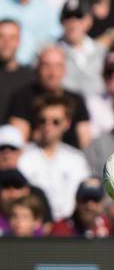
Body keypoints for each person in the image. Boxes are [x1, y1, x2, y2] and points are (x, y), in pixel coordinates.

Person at [17, 94, 91, 222]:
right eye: (43, 120)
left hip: (70, 229)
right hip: (35, 229)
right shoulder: (23, 158)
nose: (48, 126)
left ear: (67, 123)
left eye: (56, 121)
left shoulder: (77, 160)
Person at [8, 46, 91, 149]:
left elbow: (86, 143)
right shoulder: (22, 98)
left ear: (65, 69)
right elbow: (17, 141)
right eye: (46, 66)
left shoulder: (76, 100)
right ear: (38, 68)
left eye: (58, 66)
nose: (52, 72)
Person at [58, 0, 107, 97]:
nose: (73, 23)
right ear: (61, 22)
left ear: (89, 20)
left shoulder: (102, 52)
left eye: (79, 17)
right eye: (68, 17)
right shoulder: (54, 54)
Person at [50, 178, 114, 238]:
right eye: (85, 199)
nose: (89, 206)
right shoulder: (61, 230)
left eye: (95, 199)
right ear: (77, 200)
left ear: (102, 202)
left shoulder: (109, 226)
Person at [0, 19, 34, 123]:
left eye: (12, 37)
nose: (7, 43)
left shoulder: (31, 78)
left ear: (19, 41)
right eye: (1, 37)